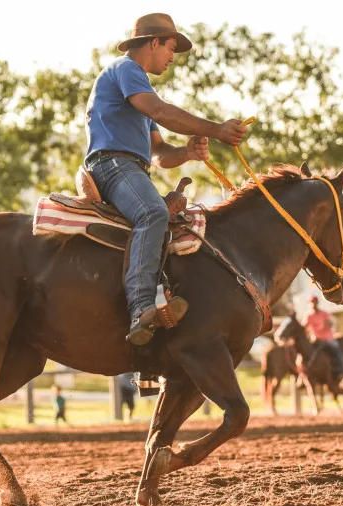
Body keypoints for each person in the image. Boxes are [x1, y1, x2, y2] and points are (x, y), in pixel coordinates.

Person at [84, 13, 246, 359]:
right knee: (153, 213)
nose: (173, 57)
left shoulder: (136, 91)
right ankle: (142, 307)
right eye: (171, 48)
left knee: (170, 224)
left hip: (132, 167)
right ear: (153, 42)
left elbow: (158, 154)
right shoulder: (127, 70)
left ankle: (160, 306)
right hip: (112, 165)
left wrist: (186, 152)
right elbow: (160, 110)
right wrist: (217, 129)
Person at [301, 296, 343, 382]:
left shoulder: (324, 313)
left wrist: (324, 325)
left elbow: (329, 323)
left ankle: (340, 370)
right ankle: (304, 374)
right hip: (316, 341)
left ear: (317, 303)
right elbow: (303, 327)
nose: (313, 305)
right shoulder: (308, 316)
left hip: (327, 339)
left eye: (314, 303)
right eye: (311, 303)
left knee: (336, 349)